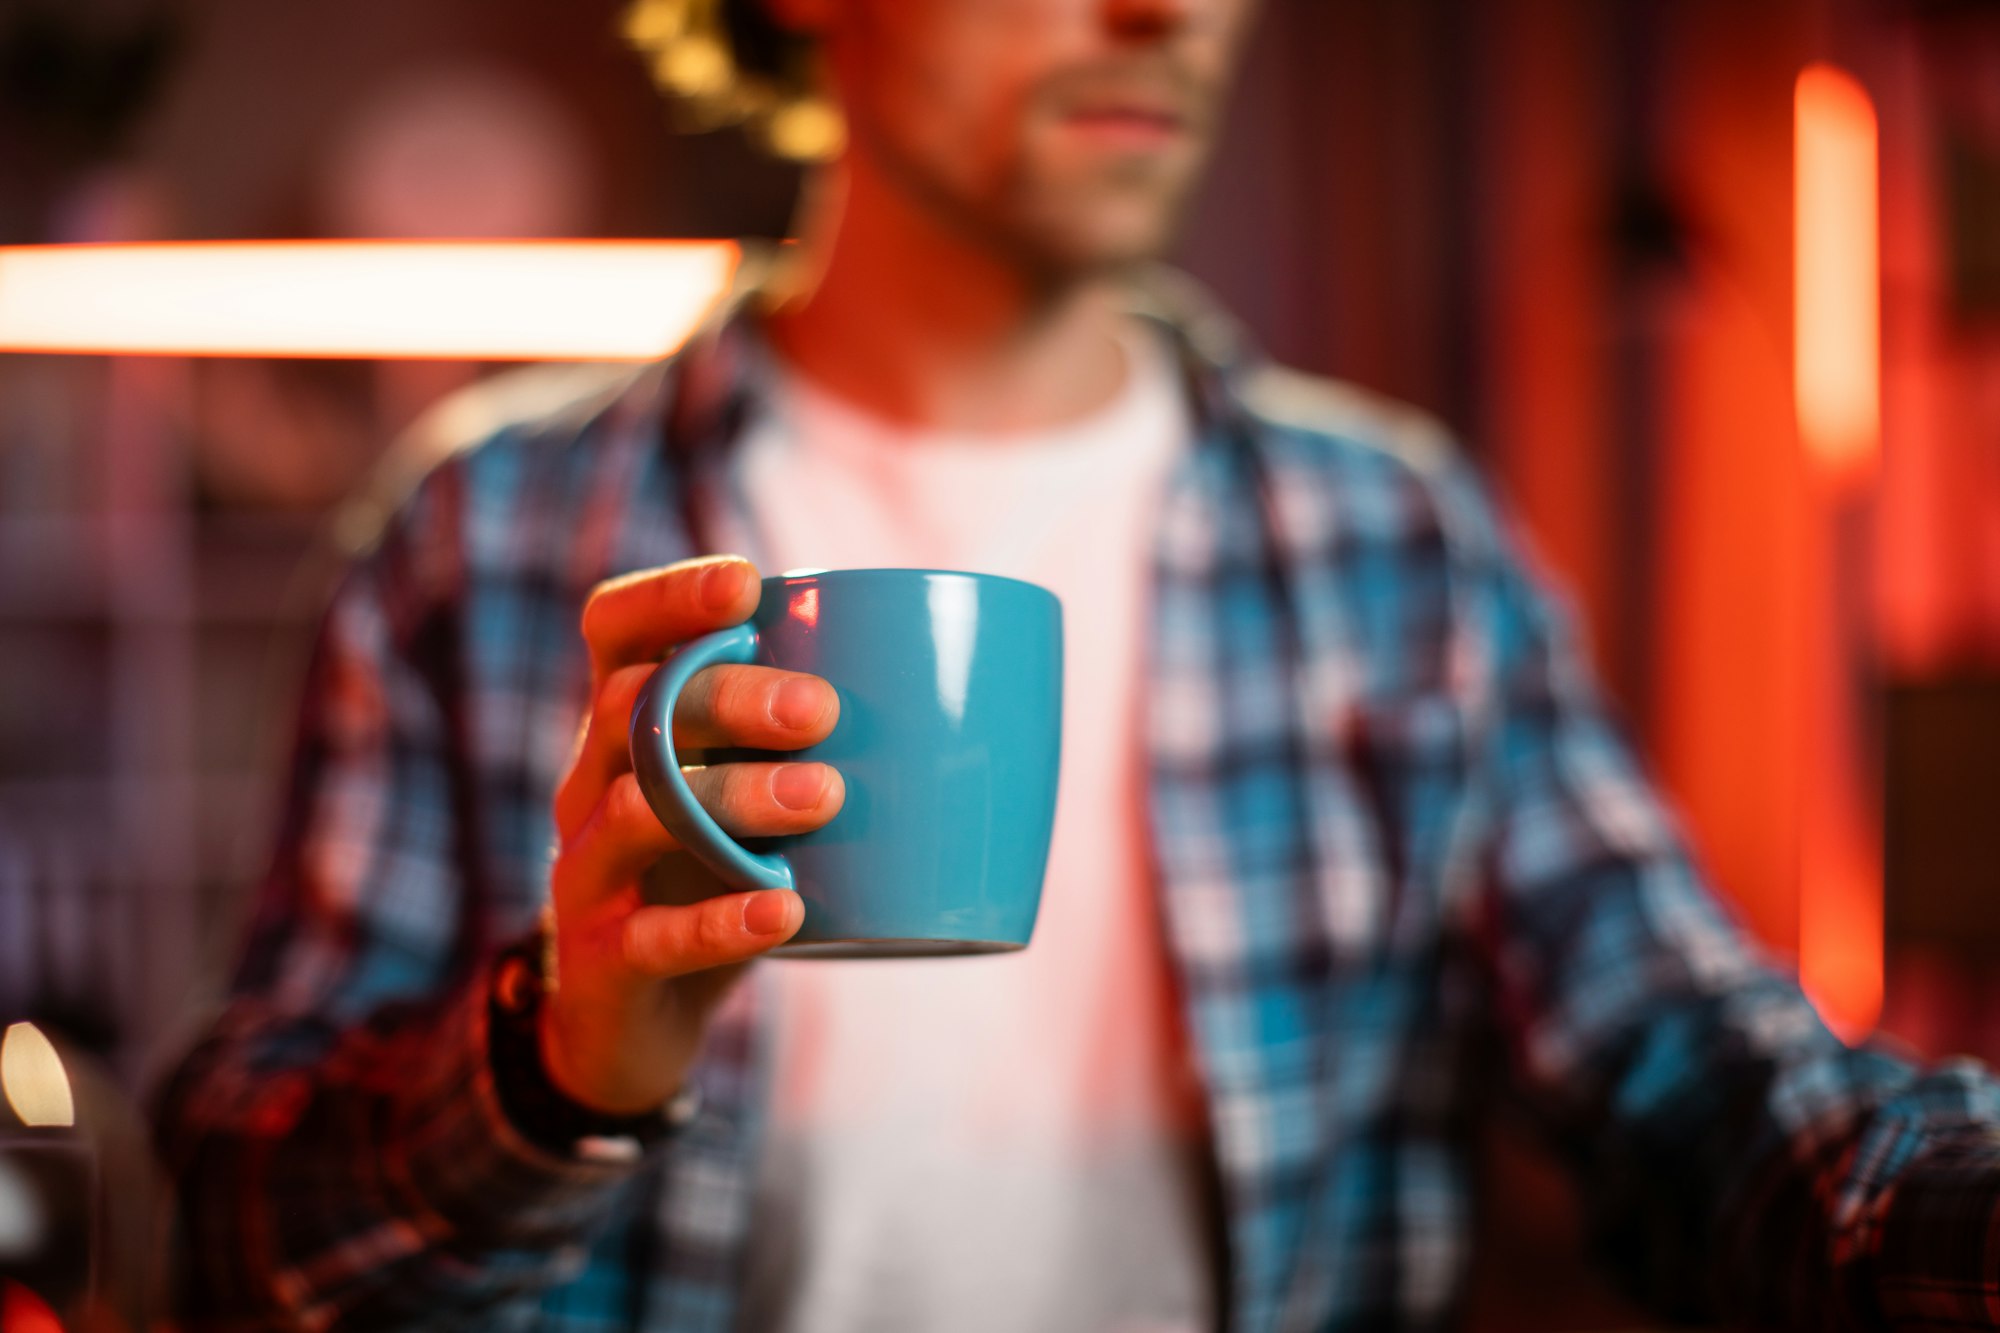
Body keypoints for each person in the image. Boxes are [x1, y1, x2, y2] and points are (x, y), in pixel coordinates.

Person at [153, 0, 2000, 1329]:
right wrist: (553, 1070)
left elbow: (1702, 1086)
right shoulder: (480, 541)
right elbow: (242, 1248)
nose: (1167, 17)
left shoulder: (1397, 544)